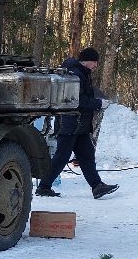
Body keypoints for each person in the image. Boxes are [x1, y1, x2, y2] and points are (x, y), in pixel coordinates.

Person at [37, 47, 118, 199]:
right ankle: (44, 187)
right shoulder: (75, 74)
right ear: (87, 61)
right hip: (69, 123)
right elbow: (77, 100)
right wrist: (98, 104)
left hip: (78, 125)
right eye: (94, 62)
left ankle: (97, 186)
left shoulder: (82, 73)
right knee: (62, 157)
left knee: (87, 155)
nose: (96, 65)